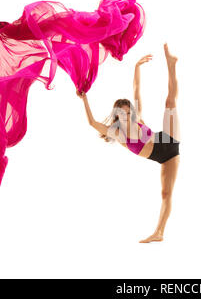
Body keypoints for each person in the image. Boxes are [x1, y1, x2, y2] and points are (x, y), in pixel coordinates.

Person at [76, 43, 180, 243]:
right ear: (116, 114)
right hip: (165, 158)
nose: (127, 114)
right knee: (165, 193)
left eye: (128, 110)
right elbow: (92, 123)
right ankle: (159, 233)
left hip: (168, 139)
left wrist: (136, 67)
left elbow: (136, 90)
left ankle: (171, 64)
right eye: (122, 112)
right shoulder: (117, 134)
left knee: (170, 102)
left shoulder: (138, 118)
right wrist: (84, 99)